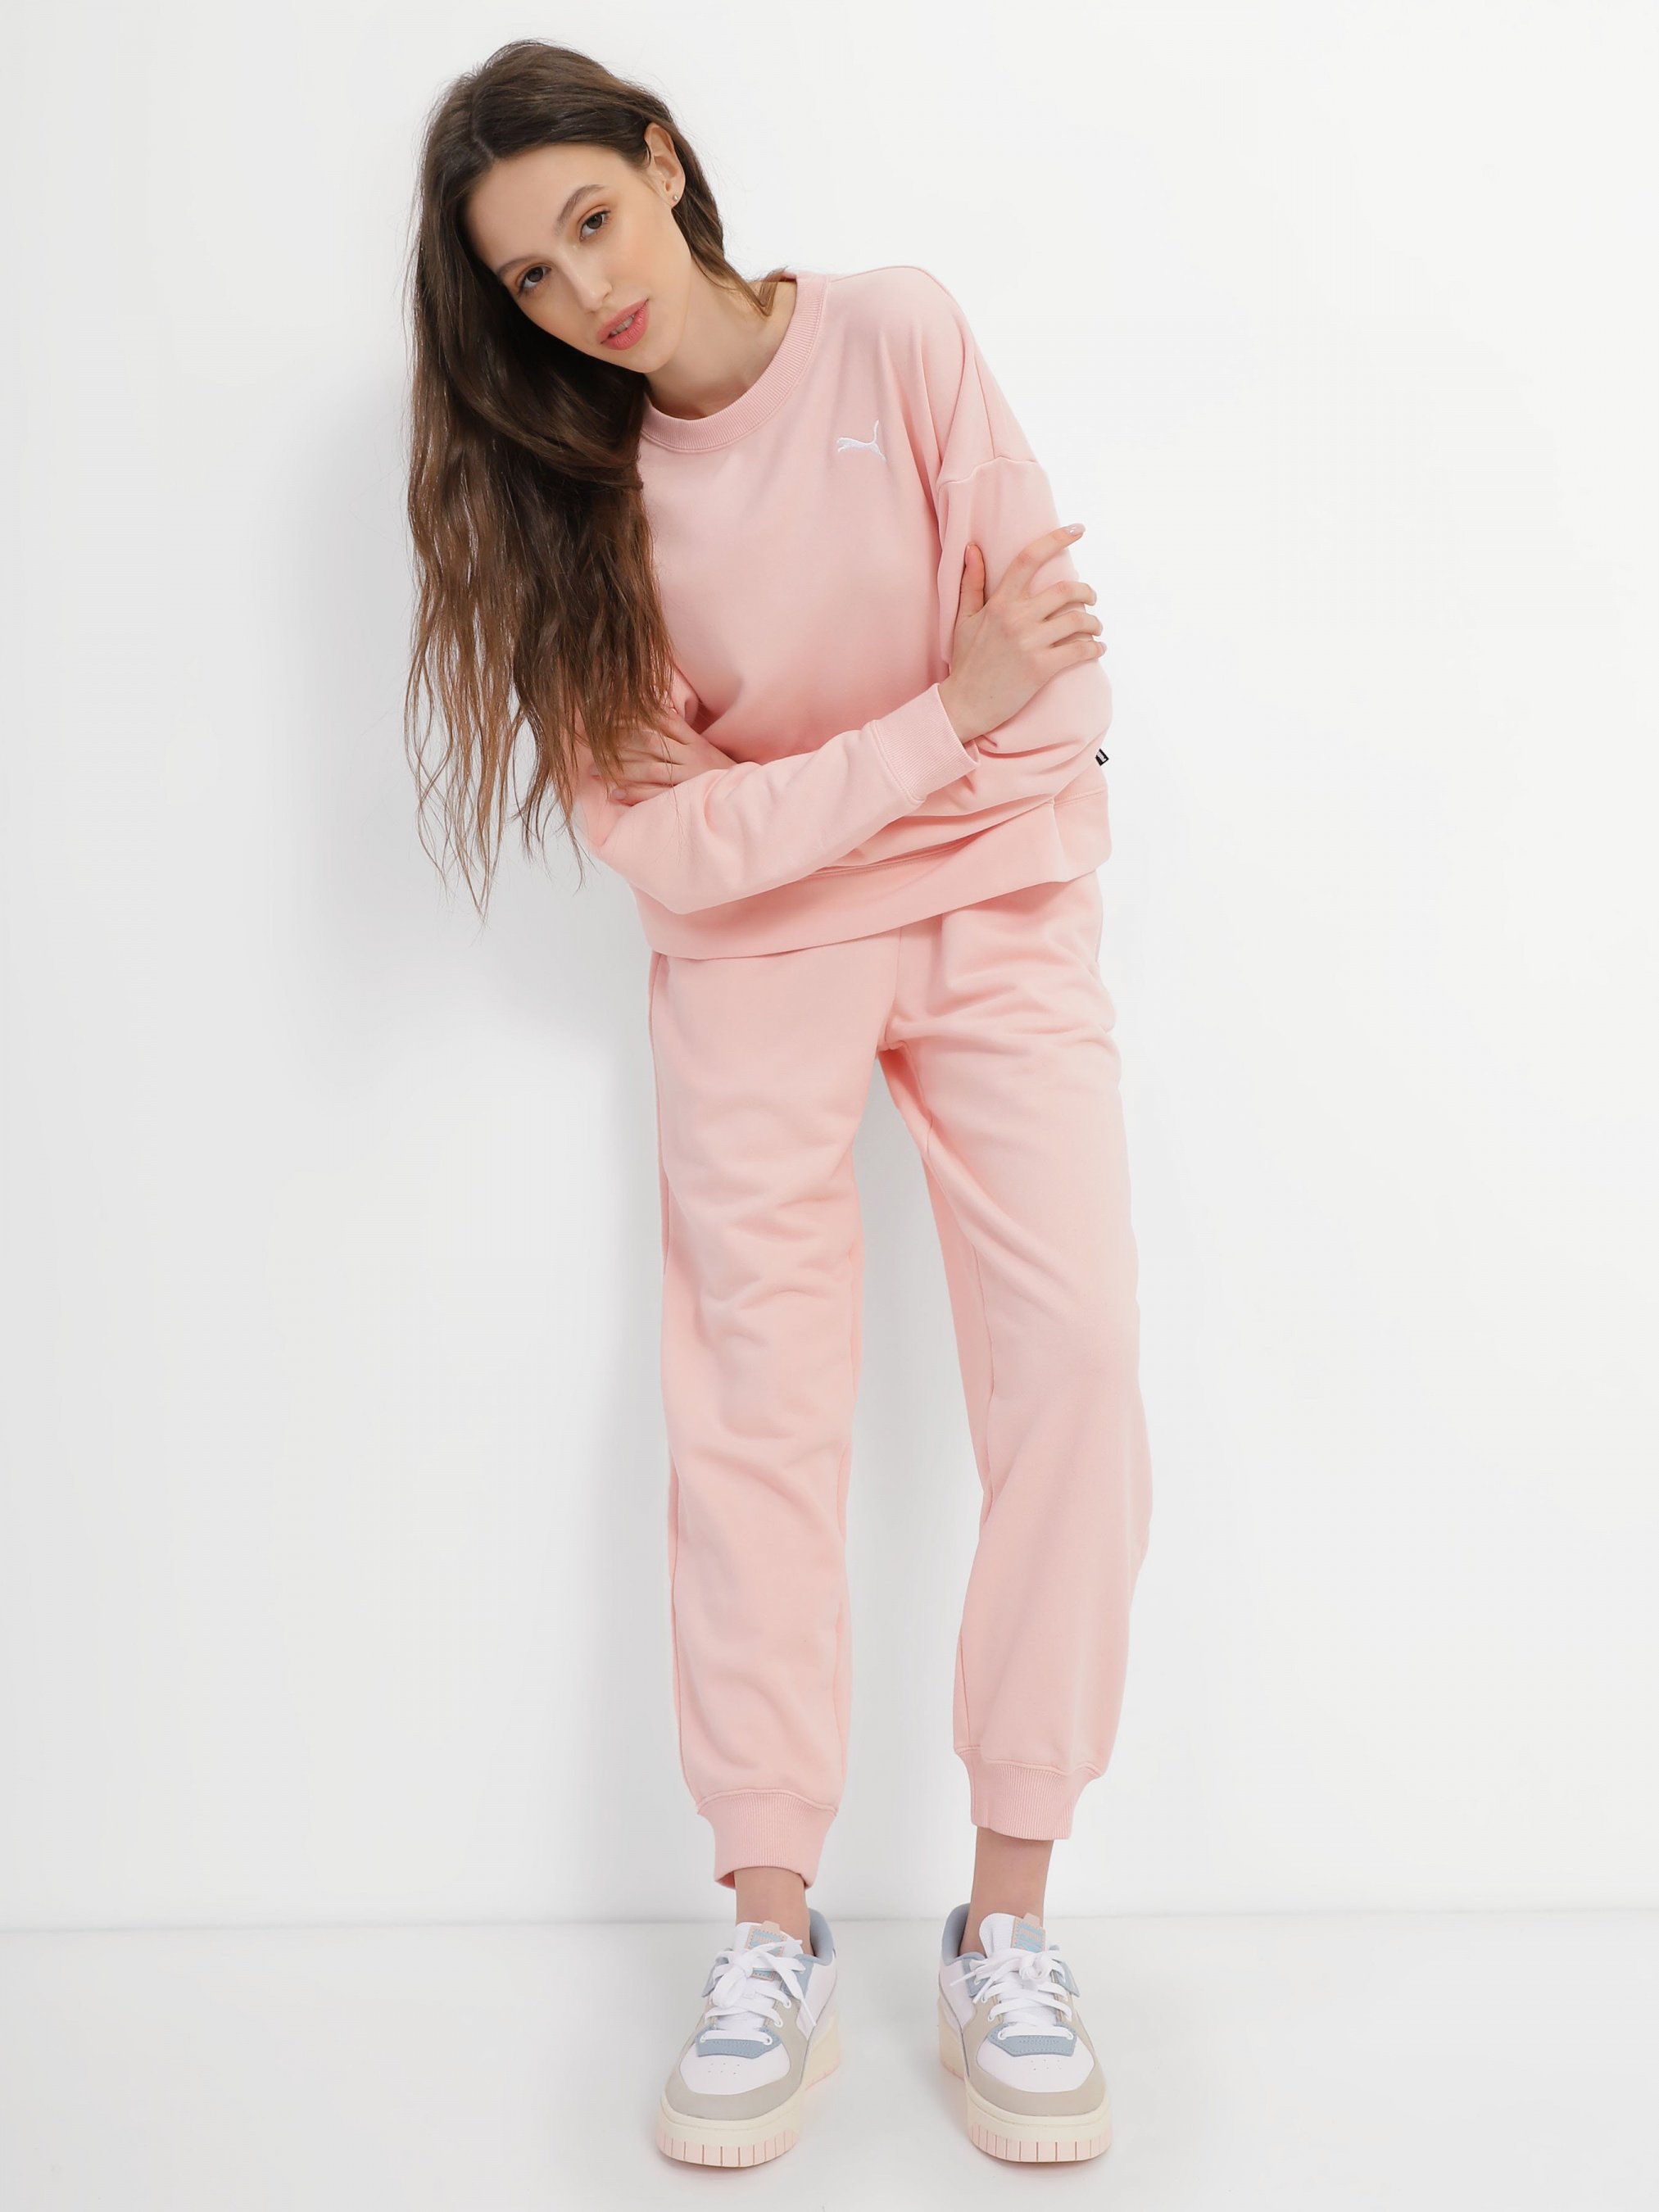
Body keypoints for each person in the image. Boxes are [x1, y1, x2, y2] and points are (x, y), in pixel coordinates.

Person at [405, 39, 1153, 2169]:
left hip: (998, 913)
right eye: (531, 279)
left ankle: (1010, 1924)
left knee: (1078, 1369)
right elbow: (672, 849)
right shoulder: (577, 498)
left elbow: (1056, 702)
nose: (584, 292)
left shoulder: (897, 338)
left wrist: (835, 795)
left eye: (590, 222)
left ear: (662, 163)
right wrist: (936, 722)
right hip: (755, 975)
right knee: (754, 1415)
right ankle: (769, 1934)